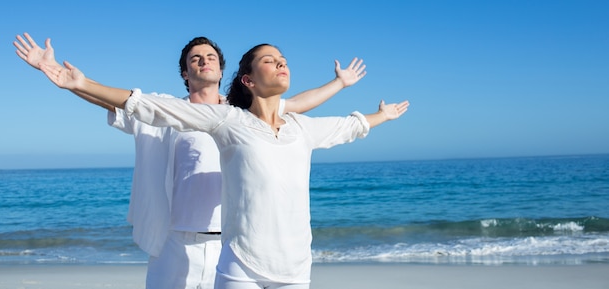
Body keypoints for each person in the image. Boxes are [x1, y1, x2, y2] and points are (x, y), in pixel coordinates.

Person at [36, 42, 409, 289]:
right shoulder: (179, 110)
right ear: (185, 72)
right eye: (194, 58)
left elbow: (299, 107)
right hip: (175, 242)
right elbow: (131, 104)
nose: (203, 60)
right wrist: (76, 84)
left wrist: (341, 85)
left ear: (226, 70)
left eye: (211, 56)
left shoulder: (238, 114)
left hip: (230, 243)